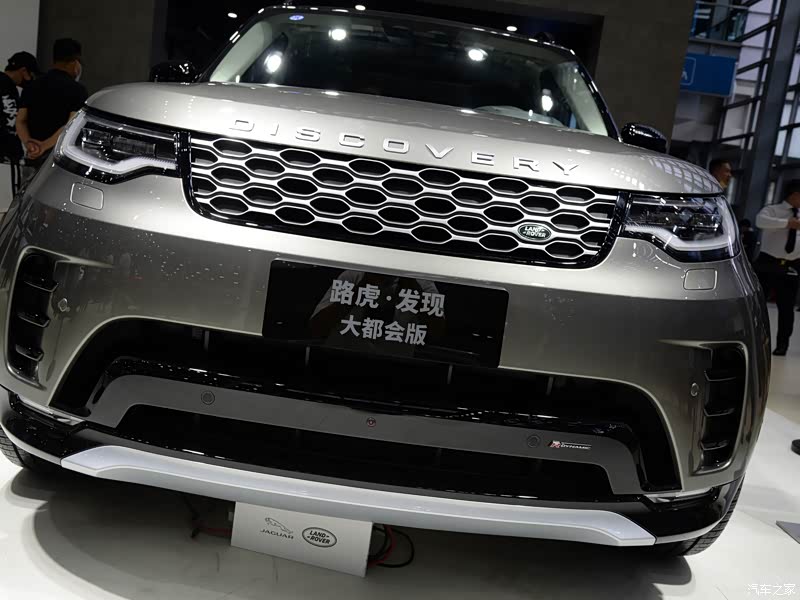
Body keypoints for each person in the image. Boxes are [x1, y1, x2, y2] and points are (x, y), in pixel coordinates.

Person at [16, 38, 87, 168]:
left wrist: (30, 145)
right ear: (75, 61)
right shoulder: (77, 90)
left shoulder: (32, 86)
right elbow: (70, 125)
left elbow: (21, 121)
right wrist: (44, 146)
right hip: (58, 161)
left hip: (32, 157)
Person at [755, 179, 800, 356]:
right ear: (795, 195)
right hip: (768, 263)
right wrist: (787, 223)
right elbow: (760, 221)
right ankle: (756, 340)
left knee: (787, 308)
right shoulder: (772, 210)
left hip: (791, 265)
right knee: (758, 306)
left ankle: (782, 345)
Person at [1, 52, 39, 193]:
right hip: (5, 158)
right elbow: (10, 121)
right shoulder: (6, 85)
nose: (30, 80)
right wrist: (16, 153)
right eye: (31, 75)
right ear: (24, 71)